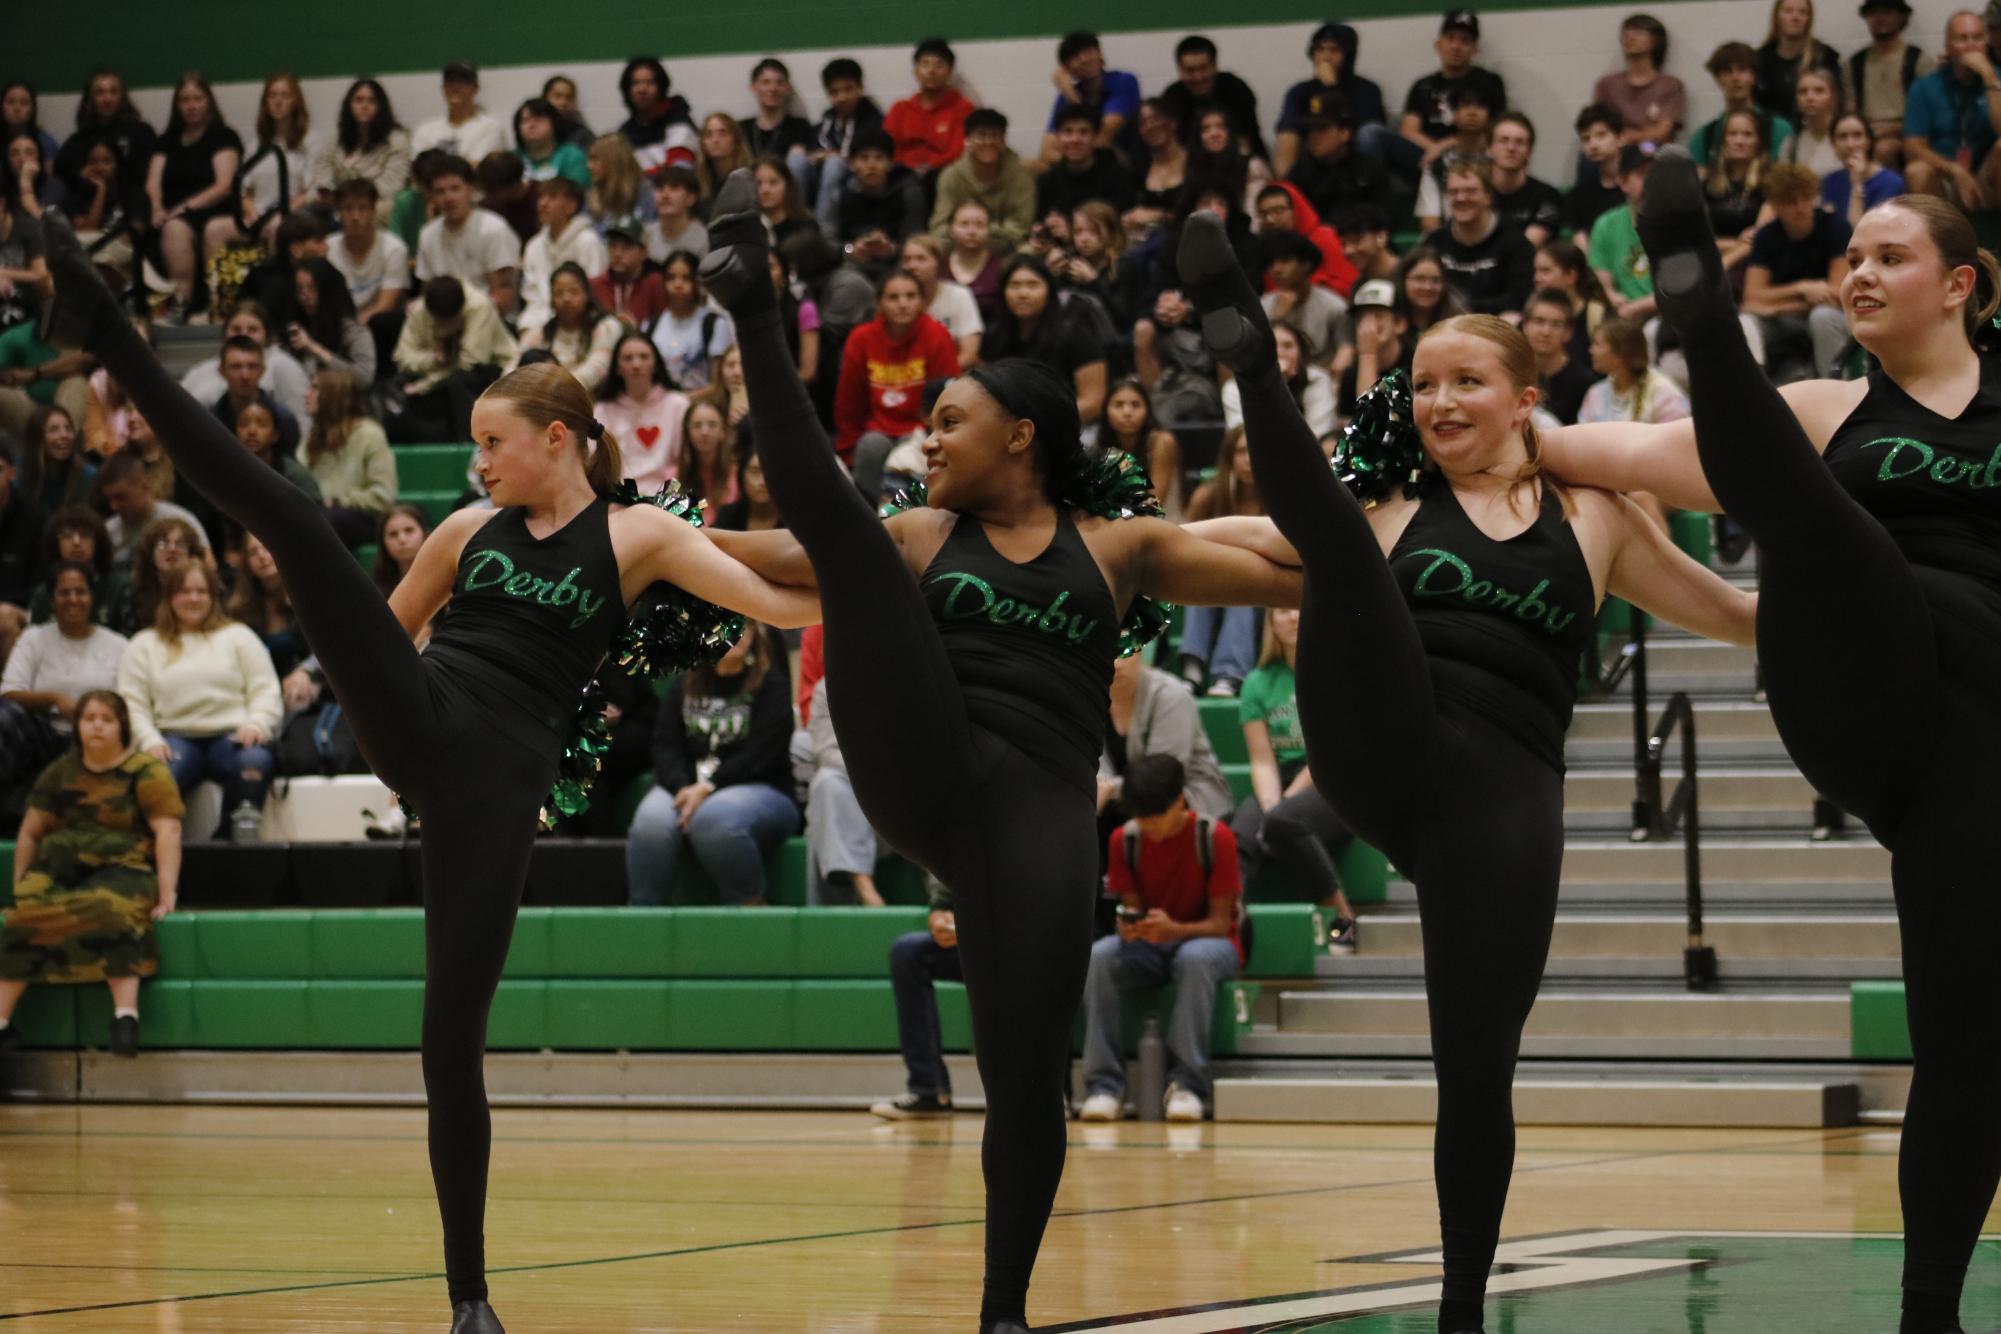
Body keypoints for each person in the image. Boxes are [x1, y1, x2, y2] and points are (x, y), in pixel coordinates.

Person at [41, 211, 822, 1332]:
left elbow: (774, 595)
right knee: (298, 521)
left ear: (557, 438)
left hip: (502, 782)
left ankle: (469, 1298)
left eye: (494, 441)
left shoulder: (636, 536)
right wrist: (324, 687)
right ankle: (109, 325)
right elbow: (390, 627)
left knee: (450, 1037)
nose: (479, 459)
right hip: (421, 717)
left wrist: (882, 589)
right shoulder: (465, 528)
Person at [696, 168, 1301, 1333]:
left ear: (1019, 433)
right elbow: (778, 554)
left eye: (949, 420)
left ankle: (1002, 1313)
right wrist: (648, 532)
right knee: (851, 535)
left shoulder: (1118, 543)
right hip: (923, 763)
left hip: (1034, 819)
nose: (926, 435)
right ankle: (753, 304)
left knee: (1026, 1079)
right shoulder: (924, 530)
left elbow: (1286, 569)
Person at [1170, 209, 1756, 1334]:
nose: (1439, 403)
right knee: (1337, 539)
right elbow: (1247, 539)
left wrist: (1888, 597)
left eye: (1468, 381)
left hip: (1502, 794)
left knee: (1477, 1064)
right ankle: (1252, 359)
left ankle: (1459, 1308)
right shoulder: (1392, 501)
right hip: (1381, 740)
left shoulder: (1599, 515)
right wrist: (1117, 554)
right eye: (1424, 383)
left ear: (1526, 393)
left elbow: (1734, 615)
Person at [1539, 147, 2001, 1334]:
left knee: (1967, 1037)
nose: (1857, 273)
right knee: (1818, 513)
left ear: (1963, 284)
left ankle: (1929, 1315)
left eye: (1889, 256)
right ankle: (1698, 312)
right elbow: (1624, 459)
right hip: (1865, 681)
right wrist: (1474, 421)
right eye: (1849, 257)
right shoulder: (1821, 408)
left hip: (1979, 757)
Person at [2, 690, 180, 1058]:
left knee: (109, 912)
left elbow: (168, 831)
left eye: (106, 719)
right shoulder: (59, 772)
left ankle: (125, 1018)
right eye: (88, 718)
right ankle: (1, 1022)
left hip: (123, 868)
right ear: (77, 726)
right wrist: (18, 885)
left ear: (122, 727)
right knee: (22, 918)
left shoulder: (145, 771)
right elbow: (31, 831)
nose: (96, 726)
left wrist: (167, 893)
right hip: (59, 868)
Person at [1079, 752, 1243, 1122]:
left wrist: (1174, 930)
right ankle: (1104, 1086)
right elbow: (1133, 908)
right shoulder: (1126, 840)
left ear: (1180, 801)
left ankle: (1187, 1085)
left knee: (1195, 957)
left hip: (1211, 943)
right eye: (1141, 818)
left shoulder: (1215, 837)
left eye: (1156, 818)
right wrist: (1133, 927)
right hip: (1154, 946)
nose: (1149, 827)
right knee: (1100, 956)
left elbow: (1220, 924)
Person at [627, 622, 798, 906]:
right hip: (685, 787)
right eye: (728, 626)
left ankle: (751, 905)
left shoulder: (772, 686)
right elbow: (664, 744)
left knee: (715, 821)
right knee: (650, 823)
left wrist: (708, 787)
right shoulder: (684, 684)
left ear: (755, 636)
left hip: (761, 789)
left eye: (744, 628)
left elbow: (761, 755)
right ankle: (643, 917)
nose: (738, 635)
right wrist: (684, 787)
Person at [115, 560, 281, 834]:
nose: (194, 598)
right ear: (169, 597)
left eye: (201, 591)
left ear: (213, 597)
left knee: (255, 762)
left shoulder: (238, 636)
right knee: (159, 779)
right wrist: (148, 740)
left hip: (232, 738)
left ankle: (235, 843)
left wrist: (257, 724)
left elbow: (265, 689)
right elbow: (132, 703)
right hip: (172, 739)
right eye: (184, 591)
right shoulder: (145, 644)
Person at [1229, 605, 1359, 952]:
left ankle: (1343, 918)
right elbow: (1262, 760)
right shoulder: (1257, 682)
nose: (1294, 616)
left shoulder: (1335, 671)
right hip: (1283, 776)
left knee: (1284, 821)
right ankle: (1233, 920)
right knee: (1240, 831)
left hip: (1339, 778)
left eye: (1302, 606)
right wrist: (1271, 804)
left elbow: (1327, 755)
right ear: (1270, 621)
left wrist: (1280, 809)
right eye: (1283, 609)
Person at [835, 269, 961, 501]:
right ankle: (870, 522)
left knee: (909, 452)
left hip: (922, 429)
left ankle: (905, 522)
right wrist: (849, 448)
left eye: (911, 296)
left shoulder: (937, 334)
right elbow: (849, 402)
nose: (903, 304)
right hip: (876, 429)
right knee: (871, 445)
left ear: (922, 301)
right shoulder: (861, 338)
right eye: (893, 297)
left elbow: (949, 396)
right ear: (879, 303)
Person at [1, 563, 127, 783]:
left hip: (95, 735)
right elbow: (8, 692)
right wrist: (53, 699)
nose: (73, 599)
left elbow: (128, 703)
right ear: (51, 601)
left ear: (92, 597)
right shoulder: (34, 638)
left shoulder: (118, 645)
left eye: (80, 592)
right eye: (64, 593)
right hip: (43, 733)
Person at [144, 73, 242, 322]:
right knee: (173, 228)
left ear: (208, 101)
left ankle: (216, 306)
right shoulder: (166, 141)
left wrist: (184, 207)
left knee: (204, 227)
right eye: (184, 99)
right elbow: (153, 182)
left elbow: (224, 185)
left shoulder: (223, 136)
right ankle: (181, 303)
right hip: (176, 217)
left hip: (216, 210)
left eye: (197, 98)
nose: (191, 105)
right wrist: (156, 208)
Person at [1743, 162, 1853, 380]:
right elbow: (1751, 297)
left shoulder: (1836, 227)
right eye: (1790, 201)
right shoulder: (1766, 236)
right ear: (1774, 205)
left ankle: (1836, 389)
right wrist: (1803, 288)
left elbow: (1836, 293)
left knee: (1822, 316)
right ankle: (1753, 391)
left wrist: (1780, 306)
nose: (1800, 206)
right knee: (1745, 321)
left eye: (1805, 198)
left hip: (1831, 314)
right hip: (1787, 318)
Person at [1177, 429, 1265, 696]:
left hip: (1264, 593)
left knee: (1242, 584)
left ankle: (1229, 674)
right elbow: (1181, 548)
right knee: (1201, 580)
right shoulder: (1208, 496)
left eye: (1255, 451)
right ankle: (1192, 667)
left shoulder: (1279, 498)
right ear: (1228, 457)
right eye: (1240, 451)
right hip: (1213, 583)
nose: (1248, 459)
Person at [869, 873, 963, 1120]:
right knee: (907, 952)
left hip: (1027, 937)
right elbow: (943, 882)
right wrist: (941, 913)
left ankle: (1050, 1094)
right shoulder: (959, 836)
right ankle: (929, 1089)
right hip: (976, 938)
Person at [980, 255, 1108, 427]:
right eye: (1014, 286)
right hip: (1007, 429)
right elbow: (982, 392)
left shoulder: (1075, 332)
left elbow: (1093, 402)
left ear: (1049, 290)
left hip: (1071, 427)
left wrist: (1039, 425)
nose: (1023, 294)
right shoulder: (994, 334)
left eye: (1033, 285)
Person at [390, 278, 519, 444]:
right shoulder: (422, 309)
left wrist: (426, 384)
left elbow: (471, 362)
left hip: (493, 371)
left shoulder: (479, 306)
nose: (442, 328)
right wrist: (432, 359)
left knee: (458, 382)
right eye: (438, 322)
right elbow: (401, 358)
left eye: (448, 322)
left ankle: (471, 446)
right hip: (437, 372)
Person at [1393, 10, 1508, 183]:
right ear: (1438, 44)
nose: (1456, 46)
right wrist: (1436, 149)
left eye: (1465, 41)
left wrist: (1449, 144)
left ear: (1475, 49)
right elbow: (1409, 131)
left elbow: (1501, 129)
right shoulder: (1423, 86)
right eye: (1451, 38)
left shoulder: (1489, 82)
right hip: (1428, 156)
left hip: (1476, 155)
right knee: (1372, 135)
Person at [1902, 9, 2001, 207]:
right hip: (1945, 174)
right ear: (1948, 46)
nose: (1971, 46)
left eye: (1977, 38)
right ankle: (1936, 233)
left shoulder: (1997, 78)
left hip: (1988, 174)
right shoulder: (1925, 86)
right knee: (1916, 170)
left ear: (1986, 42)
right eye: (1962, 39)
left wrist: (1990, 79)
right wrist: (1955, 171)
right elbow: (1913, 147)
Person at [1424, 160, 1536, 321]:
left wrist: (1469, 309)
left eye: (1470, 191)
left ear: (1488, 197)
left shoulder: (1516, 243)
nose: (1461, 198)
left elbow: (1519, 298)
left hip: (1495, 326)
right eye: (1454, 192)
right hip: (1445, 326)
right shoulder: (1434, 243)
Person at [1276, 22, 1387, 179]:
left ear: (1347, 56)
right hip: (1313, 157)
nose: (1326, 57)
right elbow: (1289, 127)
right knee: (1287, 135)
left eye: (1334, 50)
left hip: (1354, 161)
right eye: (1320, 50)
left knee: (1367, 133)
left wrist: (1331, 89)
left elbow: (1354, 130)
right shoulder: (1300, 91)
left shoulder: (1367, 89)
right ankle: (1286, 191)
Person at [415, 156, 520, 320]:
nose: (448, 198)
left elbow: (502, 298)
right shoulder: (428, 234)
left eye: (455, 189)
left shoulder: (494, 229)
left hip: (488, 318)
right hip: (441, 316)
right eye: (440, 191)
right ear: (432, 197)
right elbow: (427, 290)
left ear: (470, 190)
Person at [301, 369, 396, 548]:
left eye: (314, 388)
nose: (307, 394)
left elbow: (383, 495)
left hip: (363, 518)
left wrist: (338, 500)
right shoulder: (311, 439)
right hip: (319, 514)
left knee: (328, 519)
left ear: (332, 395)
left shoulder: (370, 434)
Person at [327, 178, 409, 372]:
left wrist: (357, 325)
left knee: (384, 322)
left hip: (375, 324)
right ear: (339, 213)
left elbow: (386, 304)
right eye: (348, 209)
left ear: (373, 211)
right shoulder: (328, 248)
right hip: (339, 322)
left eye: (362, 208)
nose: (355, 216)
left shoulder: (393, 248)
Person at [596, 333, 688, 494]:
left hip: (669, 495)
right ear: (617, 368)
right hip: (619, 496)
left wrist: (667, 497)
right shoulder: (603, 409)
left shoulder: (678, 404)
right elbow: (596, 463)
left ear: (656, 364)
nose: (636, 364)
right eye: (628, 358)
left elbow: (686, 462)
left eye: (644, 357)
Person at [54, 70, 155, 214]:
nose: (107, 98)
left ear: (122, 97)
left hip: (131, 208)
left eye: (113, 92)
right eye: (100, 93)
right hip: (89, 208)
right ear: (90, 99)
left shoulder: (141, 132)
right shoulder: (78, 140)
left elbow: (148, 174)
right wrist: (81, 175)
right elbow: (61, 172)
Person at [1847, 0, 1934, 166]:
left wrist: (1889, 131)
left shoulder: (1919, 60)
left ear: (1901, 16)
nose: (1879, 18)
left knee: (1883, 149)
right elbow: (1850, 109)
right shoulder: (1854, 64)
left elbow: (1928, 114)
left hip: (1907, 134)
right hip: (1864, 133)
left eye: (1887, 11)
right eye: (1873, 12)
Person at [309, 79, 411, 215]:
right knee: (306, 210)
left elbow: (390, 185)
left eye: (371, 101)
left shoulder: (396, 141)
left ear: (381, 107)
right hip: (334, 203)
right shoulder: (335, 138)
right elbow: (322, 169)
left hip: (374, 205)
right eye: (359, 100)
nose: (364, 106)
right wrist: (329, 191)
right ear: (349, 105)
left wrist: (348, 197)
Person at [515, 263, 621, 392]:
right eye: (559, 293)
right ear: (552, 299)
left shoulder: (607, 327)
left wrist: (551, 390)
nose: (566, 299)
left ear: (587, 294)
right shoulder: (539, 333)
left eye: (574, 291)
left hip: (594, 404)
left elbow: (596, 370)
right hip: (544, 400)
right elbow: (512, 370)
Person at [1159, 35, 1268, 161]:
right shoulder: (1172, 97)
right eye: (1190, 70)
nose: (1198, 77)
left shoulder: (1236, 89)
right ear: (1179, 70)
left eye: (1203, 68)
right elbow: (1175, 146)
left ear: (1215, 65)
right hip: (1191, 165)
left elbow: (1245, 140)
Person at [517, 178, 607, 330]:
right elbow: (531, 295)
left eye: (552, 197)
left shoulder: (588, 242)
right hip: (538, 319)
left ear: (571, 206)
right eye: (541, 197)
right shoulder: (534, 245)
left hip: (580, 321)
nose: (543, 204)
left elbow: (595, 292)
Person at [96, 452, 209, 568]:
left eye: (121, 497)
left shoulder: (180, 521)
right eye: (109, 499)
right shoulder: (108, 533)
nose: (114, 506)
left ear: (145, 486)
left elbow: (208, 568)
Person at [1690, 42, 1795, 167]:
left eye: (1742, 70)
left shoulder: (1779, 129)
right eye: (1728, 71)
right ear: (1718, 79)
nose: (1735, 78)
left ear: (1753, 77)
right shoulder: (1704, 137)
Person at [1287, 106, 1396, 226]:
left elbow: (1388, 215)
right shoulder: (1302, 171)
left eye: (1322, 129)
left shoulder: (1368, 168)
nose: (1313, 136)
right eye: (1309, 130)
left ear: (1345, 133)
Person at [1224, 322, 1335, 439]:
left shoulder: (1317, 380)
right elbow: (1244, 439)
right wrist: (1272, 383)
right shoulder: (1234, 387)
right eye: (1272, 346)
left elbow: (1319, 436)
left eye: (1288, 346)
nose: (1280, 354)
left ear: (1300, 353)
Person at [884, 38, 975, 180]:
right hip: (902, 174)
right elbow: (887, 146)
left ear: (950, 72)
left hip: (942, 176)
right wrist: (906, 167)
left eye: (939, 65)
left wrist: (930, 167)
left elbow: (958, 151)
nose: (931, 71)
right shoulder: (900, 109)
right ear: (915, 71)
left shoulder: (963, 109)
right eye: (925, 64)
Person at [811, 58, 886, 229]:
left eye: (848, 89)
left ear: (860, 88)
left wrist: (835, 157)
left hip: (855, 180)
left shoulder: (875, 121)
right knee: (796, 160)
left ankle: (823, 231)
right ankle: (797, 223)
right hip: (820, 179)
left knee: (834, 164)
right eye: (834, 92)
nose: (842, 97)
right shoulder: (825, 122)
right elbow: (812, 150)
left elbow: (870, 156)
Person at [1593, 13, 1686, 148]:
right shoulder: (1607, 85)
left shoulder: (1670, 85)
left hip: (1652, 150)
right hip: (1616, 150)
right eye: (1626, 33)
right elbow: (1596, 127)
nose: (1630, 37)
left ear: (1656, 41)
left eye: (1639, 32)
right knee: (1588, 157)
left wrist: (1632, 137)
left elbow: (1662, 132)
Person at [831, 132, 925, 264]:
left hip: (898, 264)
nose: (871, 166)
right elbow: (827, 242)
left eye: (879, 158)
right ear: (851, 164)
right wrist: (851, 250)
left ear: (890, 164)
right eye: (864, 158)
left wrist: (891, 249)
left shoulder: (909, 192)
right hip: (851, 263)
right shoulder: (840, 194)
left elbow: (916, 241)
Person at [1577, 315, 1690, 425]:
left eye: (1597, 344)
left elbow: (1674, 441)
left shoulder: (1665, 394)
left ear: (1620, 353)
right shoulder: (1595, 393)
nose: (1591, 350)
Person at [648, 252, 734, 392]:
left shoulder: (715, 324)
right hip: (658, 405)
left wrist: (680, 403)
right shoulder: (651, 325)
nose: (678, 284)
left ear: (696, 282)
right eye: (671, 278)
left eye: (686, 278)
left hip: (701, 406)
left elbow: (717, 386)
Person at [284, 257, 375, 383]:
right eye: (300, 289)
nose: (304, 297)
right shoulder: (298, 326)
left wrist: (313, 348)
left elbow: (364, 378)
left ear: (327, 291)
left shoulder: (353, 330)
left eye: (312, 289)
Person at [1101, 378, 1182, 517]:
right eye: (1119, 405)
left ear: (1147, 411)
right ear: (1106, 411)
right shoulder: (1102, 449)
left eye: (1136, 405)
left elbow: (1154, 504)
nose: (1127, 412)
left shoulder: (1162, 442)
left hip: (1164, 525)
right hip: (1122, 525)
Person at [900, 233, 983, 367]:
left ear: (938, 263)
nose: (912, 265)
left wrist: (938, 378)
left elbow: (969, 354)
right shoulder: (897, 297)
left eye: (921, 259)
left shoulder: (959, 294)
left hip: (952, 374)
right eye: (907, 259)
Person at [1036, 108, 1135, 219]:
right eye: (1068, 132)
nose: (1075, 139)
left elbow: (1119, 224)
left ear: (1095, 137)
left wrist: (1070, 229)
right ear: (1058, 138)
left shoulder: (1118, 178)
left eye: (1084, 132)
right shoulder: (1046, 181)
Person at [1757, 0, 1844, 124]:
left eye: (1802, 12)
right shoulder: (1761, 59)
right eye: (1788, 11)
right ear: (1776, 16)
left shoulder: (1825, 56)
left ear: (1809, 18)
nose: (1795, 17)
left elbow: (1838, 101)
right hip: (1774, 133)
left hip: (1817, 128)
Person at [1340, 278, 1413, 420]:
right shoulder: (1351, 374)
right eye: (1361, 317)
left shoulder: (1415, 366)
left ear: (1399, 324)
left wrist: (1369, 354)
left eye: (1377, 316)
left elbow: (1374, 417)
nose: (1368, 325)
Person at [1487, 114, 1563, 249]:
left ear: (1529, 151)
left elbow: (1526, 248)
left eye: (1520, 142)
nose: (1511, 148)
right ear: (1489, 148)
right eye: (1503, 140)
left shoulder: (1547, 196)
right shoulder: (1475, 194)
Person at [1522, 289, 1596, 426]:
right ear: (1526, 325)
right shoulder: (1512, 374)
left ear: (1568, 332)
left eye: (1556, 324)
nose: (1546, 332)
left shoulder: (1584, 384)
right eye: (1539, 321)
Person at [739, 59, 816, 184]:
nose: (773, 88)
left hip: (790, 193)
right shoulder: (741, 129)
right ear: (753, 87)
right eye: (766, 82)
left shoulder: (801, 127)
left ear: (788, 88)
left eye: (779, 82)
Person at [615, 57, 698, 173]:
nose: (642, 89)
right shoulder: (625, 133)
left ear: (661, 88)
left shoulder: (679, 122)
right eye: (636, 83)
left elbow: (679, 174)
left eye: (649, 82)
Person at [1823, 111, 1908, 222]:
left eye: (1857, 135)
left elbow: (1864, 235)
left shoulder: (1892, 183)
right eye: (1842, 137)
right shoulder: (1829, 181)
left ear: (1868, 141)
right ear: (1833, 143)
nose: (1850, 144)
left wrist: (1857, 185)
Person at [1569, 104, 1630, 237]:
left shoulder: (1638, 185)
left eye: (1601, 135)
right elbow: (1580, 236)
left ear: (1621, 138)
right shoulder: (1581, 194)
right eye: (1586, 139)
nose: (1593, 145)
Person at [21, 405, 91, 513]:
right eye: (53, 430)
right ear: (37, 437)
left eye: (68, 429)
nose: (64, 435)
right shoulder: (18, 471)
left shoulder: (87, 475)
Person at [944, 200, 1006, 322]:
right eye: (964, 224)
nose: (972, 231)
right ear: (951, 229)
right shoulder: (938, 266)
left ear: (989, 230)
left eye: (980, 225)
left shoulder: (1001, 268)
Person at [512, 98, 589, 189]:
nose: (531, 125)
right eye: (525, 121)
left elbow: (577, 194)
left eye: (538, 119)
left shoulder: (572, 157)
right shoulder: (512, 158)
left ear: (554, 123)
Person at [676, 398, 740, 508]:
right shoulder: (673, 477)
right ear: (687, 433)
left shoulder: (737, 475)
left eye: (712, 425)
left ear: (723, 431)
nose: (704, 432)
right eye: (697, 425)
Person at [1783, 67, 1845, 176]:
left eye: (1819, 91)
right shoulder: (1792, 143)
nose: (1810, 97)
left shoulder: (1847, 137)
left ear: (1833, 97)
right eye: (1803, 92)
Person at [647, 165, 708, 263]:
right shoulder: (645, 235)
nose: (665, 195)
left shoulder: (704, 240)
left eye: (674, 188)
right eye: (660, 188)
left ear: (690, 198)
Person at [370, 502, 430, 600]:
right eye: (393, 534)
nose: (402, 539)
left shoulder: (446, 582)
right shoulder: (374, 588)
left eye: (409, 530)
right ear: (383, 543)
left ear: (425, 535)